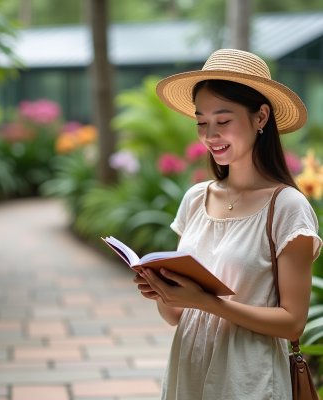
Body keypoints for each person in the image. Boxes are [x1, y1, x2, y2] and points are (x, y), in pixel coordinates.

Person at [133, 49, 323, 399]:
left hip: (248, 379)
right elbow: (175, 315)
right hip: (187, 370)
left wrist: (207, 302)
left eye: (223, 121)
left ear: (261, 117)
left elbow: (293, 321)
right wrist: (163, 291)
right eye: (201, 122)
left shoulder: (287, 207)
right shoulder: (195, 199)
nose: (210, 135)